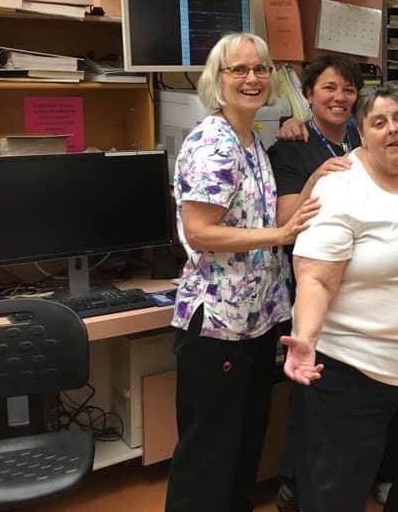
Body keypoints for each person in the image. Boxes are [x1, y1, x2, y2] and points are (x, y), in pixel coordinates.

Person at [280, 83, 398, 512]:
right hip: (353, 371)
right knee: (336, 494)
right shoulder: (340, 186)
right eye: (379, 122)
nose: (392, 130)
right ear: (361, 132)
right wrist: (306, 335)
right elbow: (315, 279)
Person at [165, 32, 319, 512]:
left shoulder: (251, 140)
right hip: (217, 326)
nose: (252, 79)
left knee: (243, 446)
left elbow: (260, 216)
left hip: (255, 319)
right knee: (208, 455)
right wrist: (278, 236)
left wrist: (318, 178)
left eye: (260, 69)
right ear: (218, 79)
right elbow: (200, 231)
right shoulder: (214, 143)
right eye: (238, 70)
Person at [266, 54, 361, 512]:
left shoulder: (365, 138)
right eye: (328, 88)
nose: (339, 97)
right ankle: (296, 484)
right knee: (311, 393)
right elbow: (285, 221)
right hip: (310, 286)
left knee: (346, 397)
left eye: (347, 89)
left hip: (357, 292)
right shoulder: (292, 147)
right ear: (307, 95)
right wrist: (316, 180)